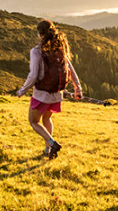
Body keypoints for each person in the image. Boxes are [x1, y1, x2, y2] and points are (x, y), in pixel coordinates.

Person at [16, 20, 82, 159]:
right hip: (56, 95)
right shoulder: (60, 49)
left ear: (40, 35)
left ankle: (52, 143)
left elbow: (33, 76)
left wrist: (22, 90)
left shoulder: (37, 52)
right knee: (46, 119)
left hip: (41, 95)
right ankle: (47, 150)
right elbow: (71, 70)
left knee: (34, 122)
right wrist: (78, 89)